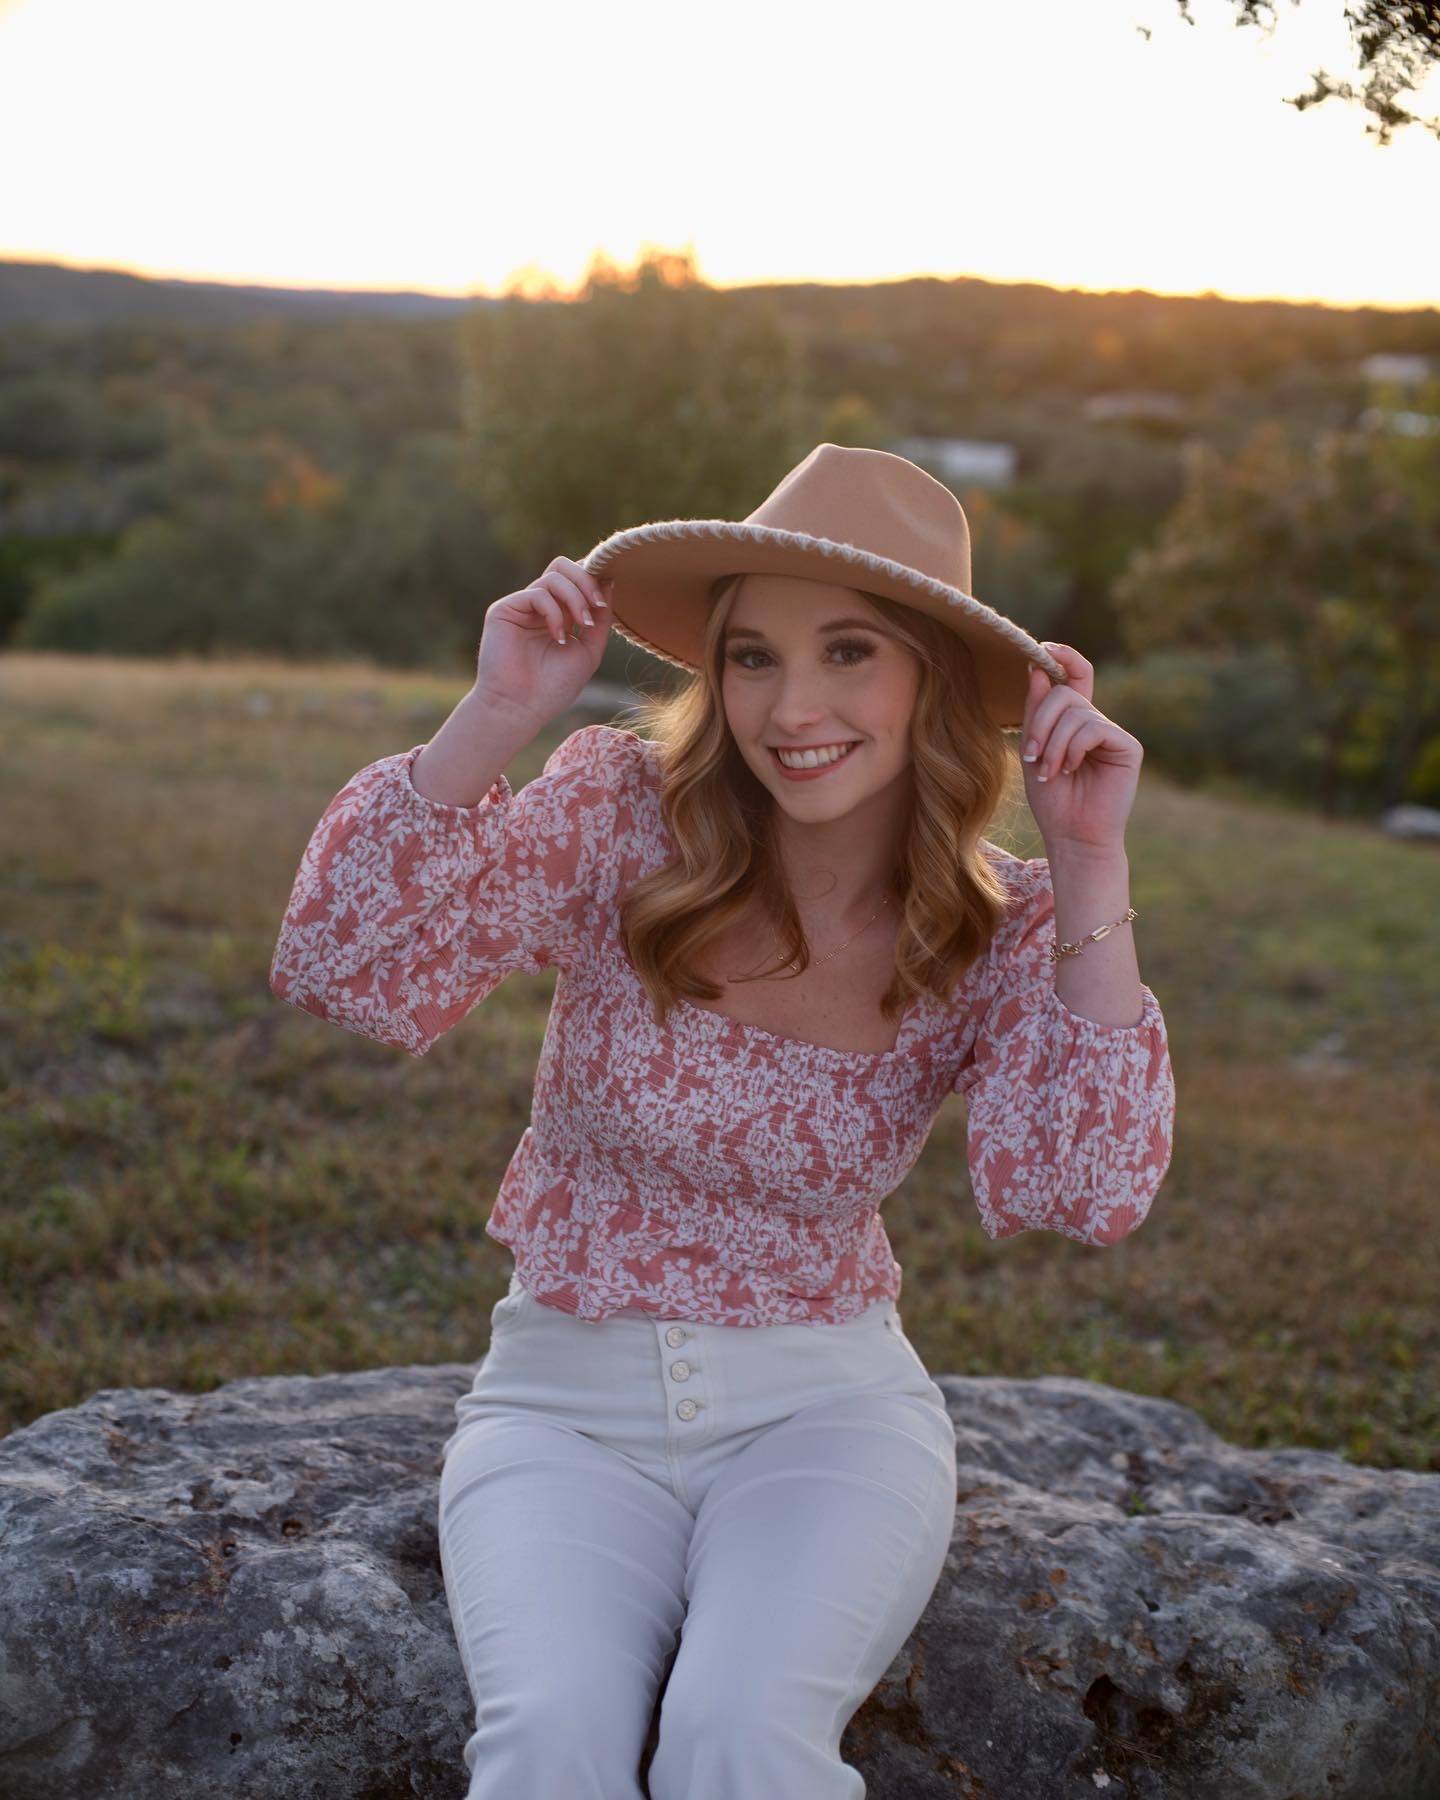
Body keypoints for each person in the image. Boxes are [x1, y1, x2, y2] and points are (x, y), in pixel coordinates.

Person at [268, 443, 1177, 1798]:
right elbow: (343, 965)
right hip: (560, 1409)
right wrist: (498, 710)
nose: (791, 707)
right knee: (547, 1747)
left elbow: (1083, 1188)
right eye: (753, 657)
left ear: (932, 676)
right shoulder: (623, 814)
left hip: (827, 1419)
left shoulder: (1000, 923)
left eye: (848, 652)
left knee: (738, 1743)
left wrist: (1091, 854)